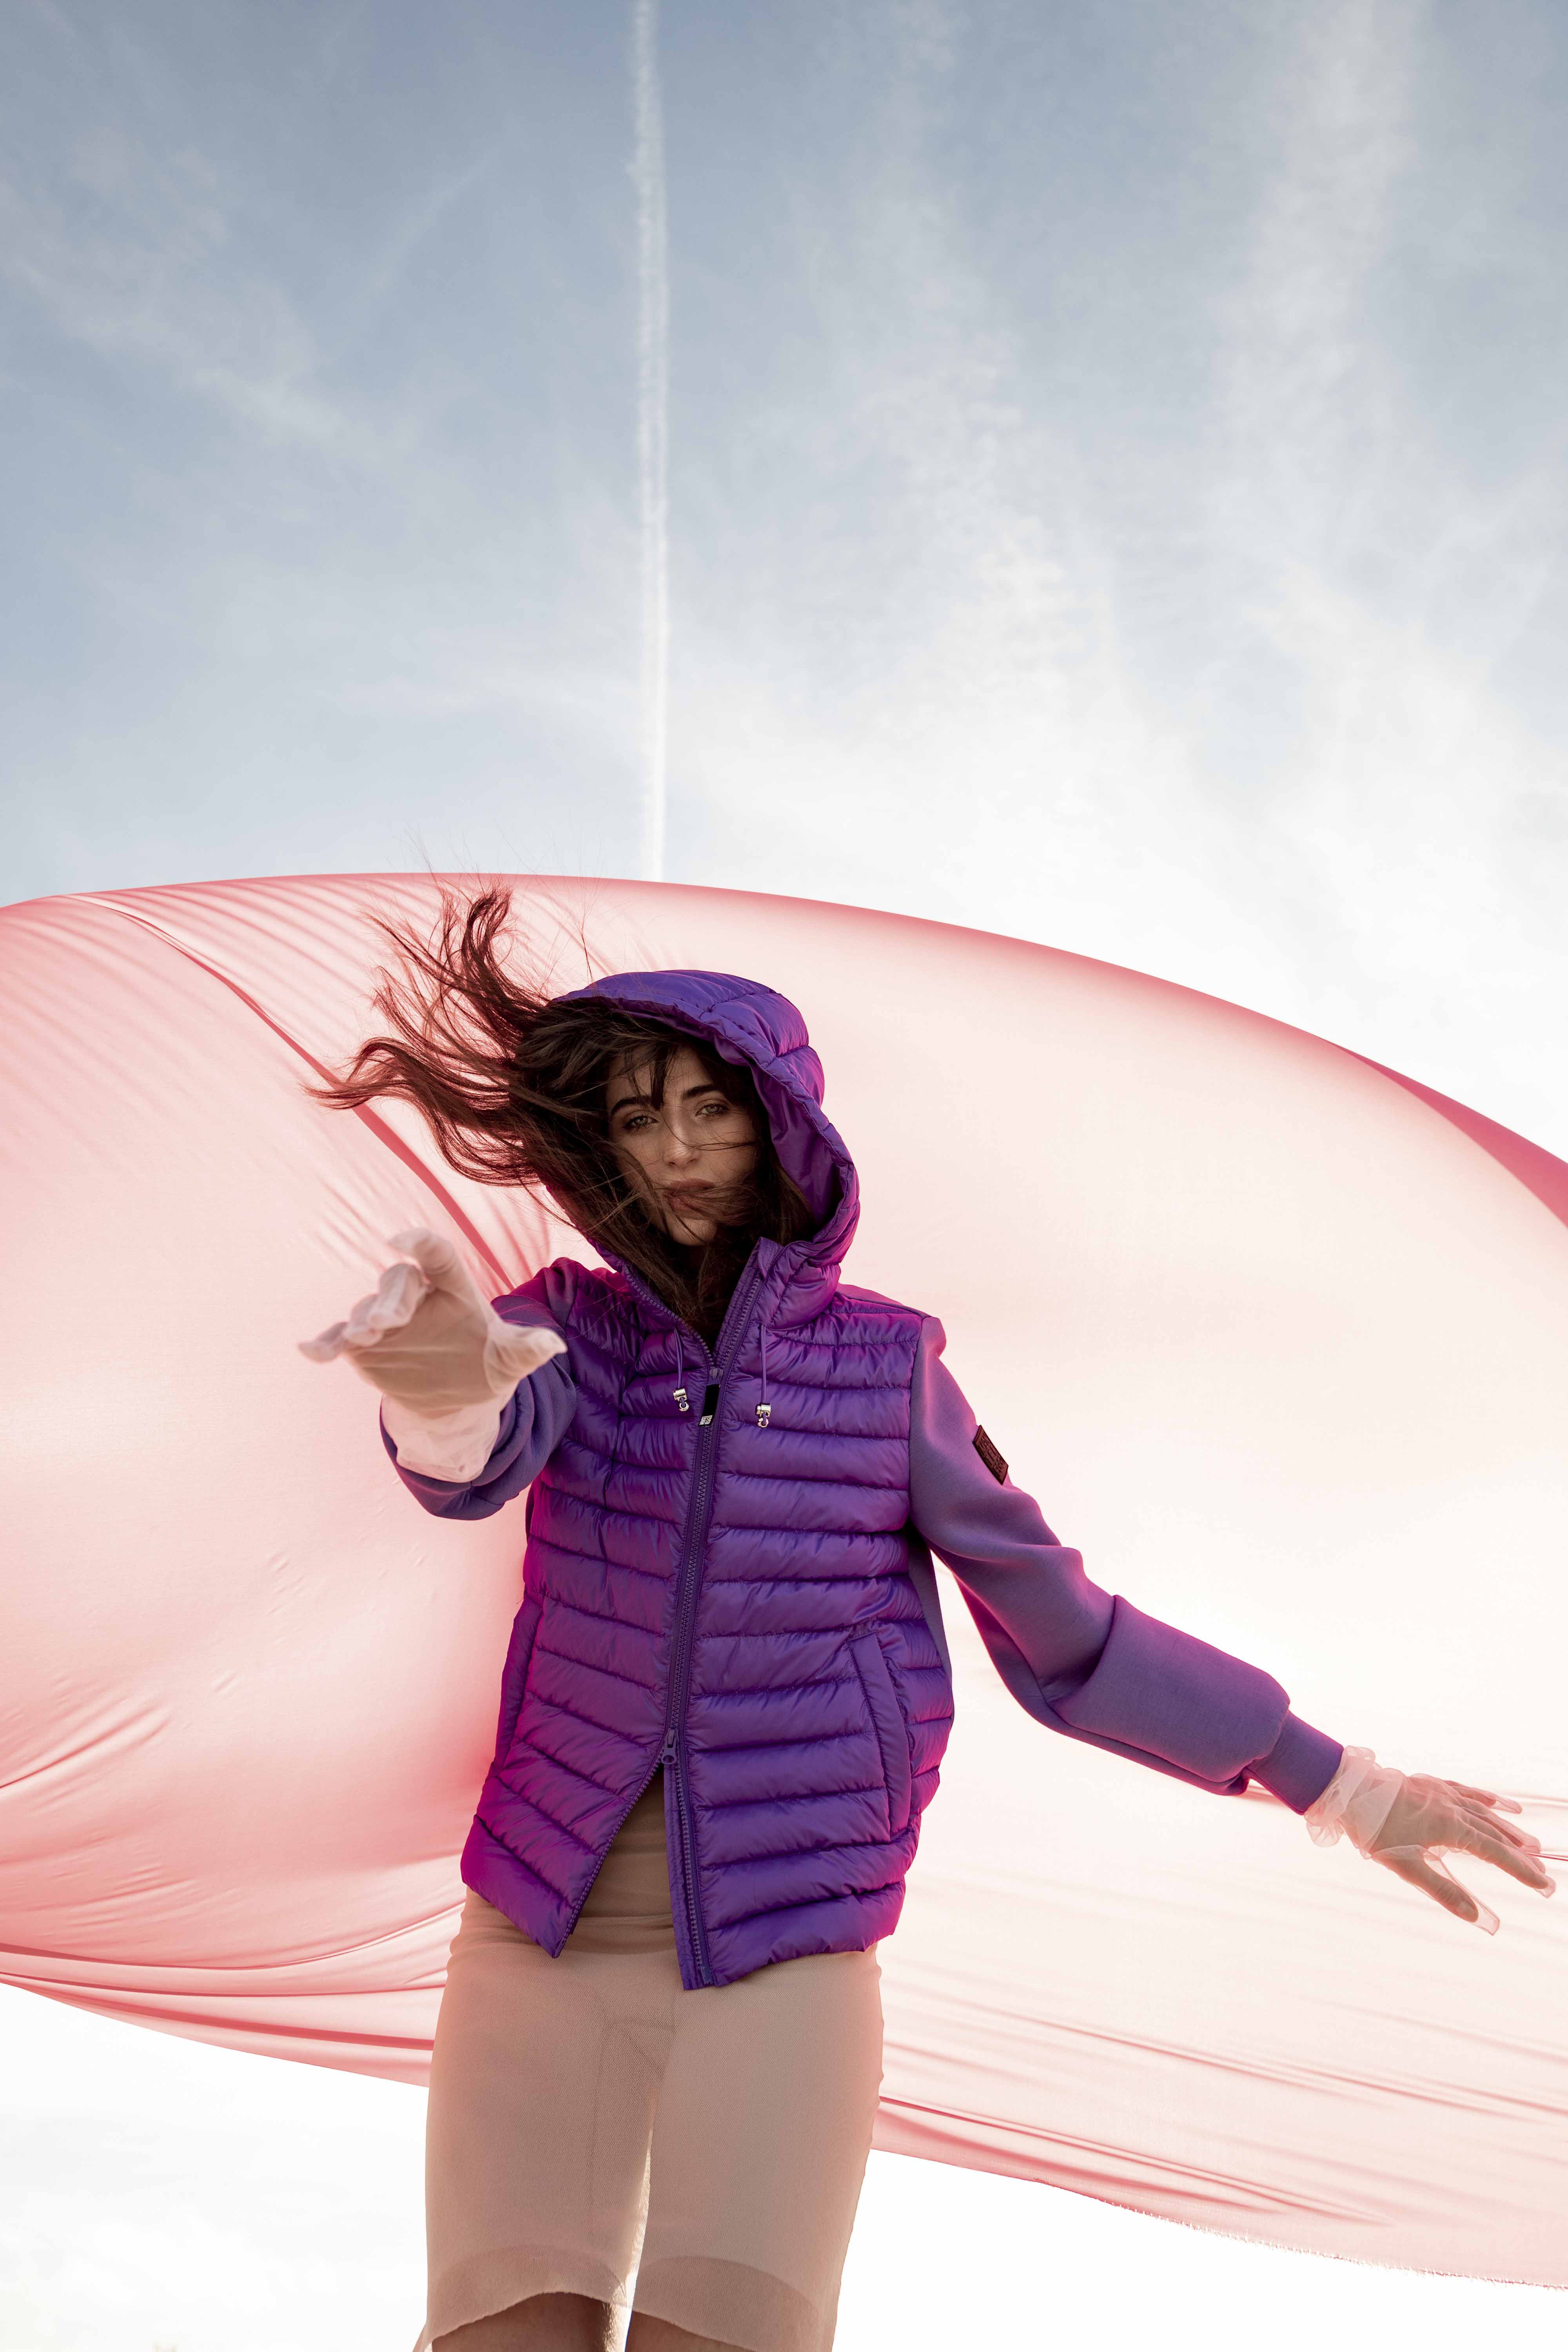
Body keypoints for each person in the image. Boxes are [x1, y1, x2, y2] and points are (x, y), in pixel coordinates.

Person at [303, 889, 1553, 2352]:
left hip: (786, 1956)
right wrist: (441, 1383)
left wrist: (1337, 1781)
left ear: (784, 1125)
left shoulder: (890, 1370)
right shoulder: (566, 1327)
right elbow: (475, 1466)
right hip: (538, 1928)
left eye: (712, 1108)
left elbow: (1066, 1636)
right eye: (640, 1119)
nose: (680, 1149)